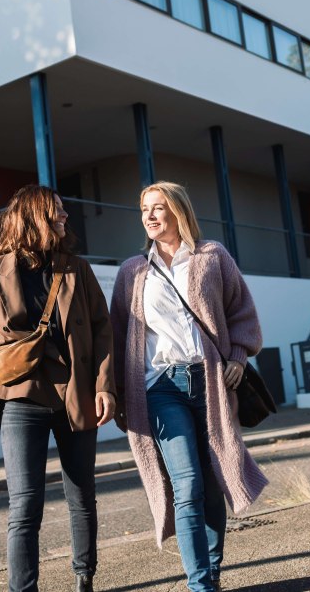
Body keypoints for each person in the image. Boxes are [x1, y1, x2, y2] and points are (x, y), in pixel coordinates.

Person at [110, 181, 267, 592]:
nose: (150, 216)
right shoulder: (132, 271)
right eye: (145, 209)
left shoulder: (211, 256)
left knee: (213, 480)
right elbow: (117, 333)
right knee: (188, 483)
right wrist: (116, 393)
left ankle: (212, 571)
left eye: (159, 207)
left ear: (178, 211)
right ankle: (200, 585)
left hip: (210, 381)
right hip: (159, 386)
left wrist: (237, 356)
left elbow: (242, 312)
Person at [0, 184, 116, 592]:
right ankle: (24, 588)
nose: (65, 218)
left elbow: (104, 330)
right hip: (20, 397)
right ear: (33, 216)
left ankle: (84, 577)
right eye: (57, 212)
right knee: (25, 505)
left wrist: (106, 386)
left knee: (82, 496)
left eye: (64, 212)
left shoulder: (76, 269)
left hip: (76, 395)